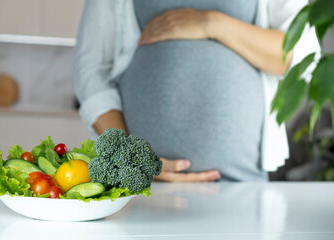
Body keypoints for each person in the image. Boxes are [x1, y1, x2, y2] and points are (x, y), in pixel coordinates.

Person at [72, 0, 320, 182]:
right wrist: (132, 163)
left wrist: (212, 23)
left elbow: (301, 53)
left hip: (241, 183)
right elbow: (90, 70)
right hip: (144, 186)